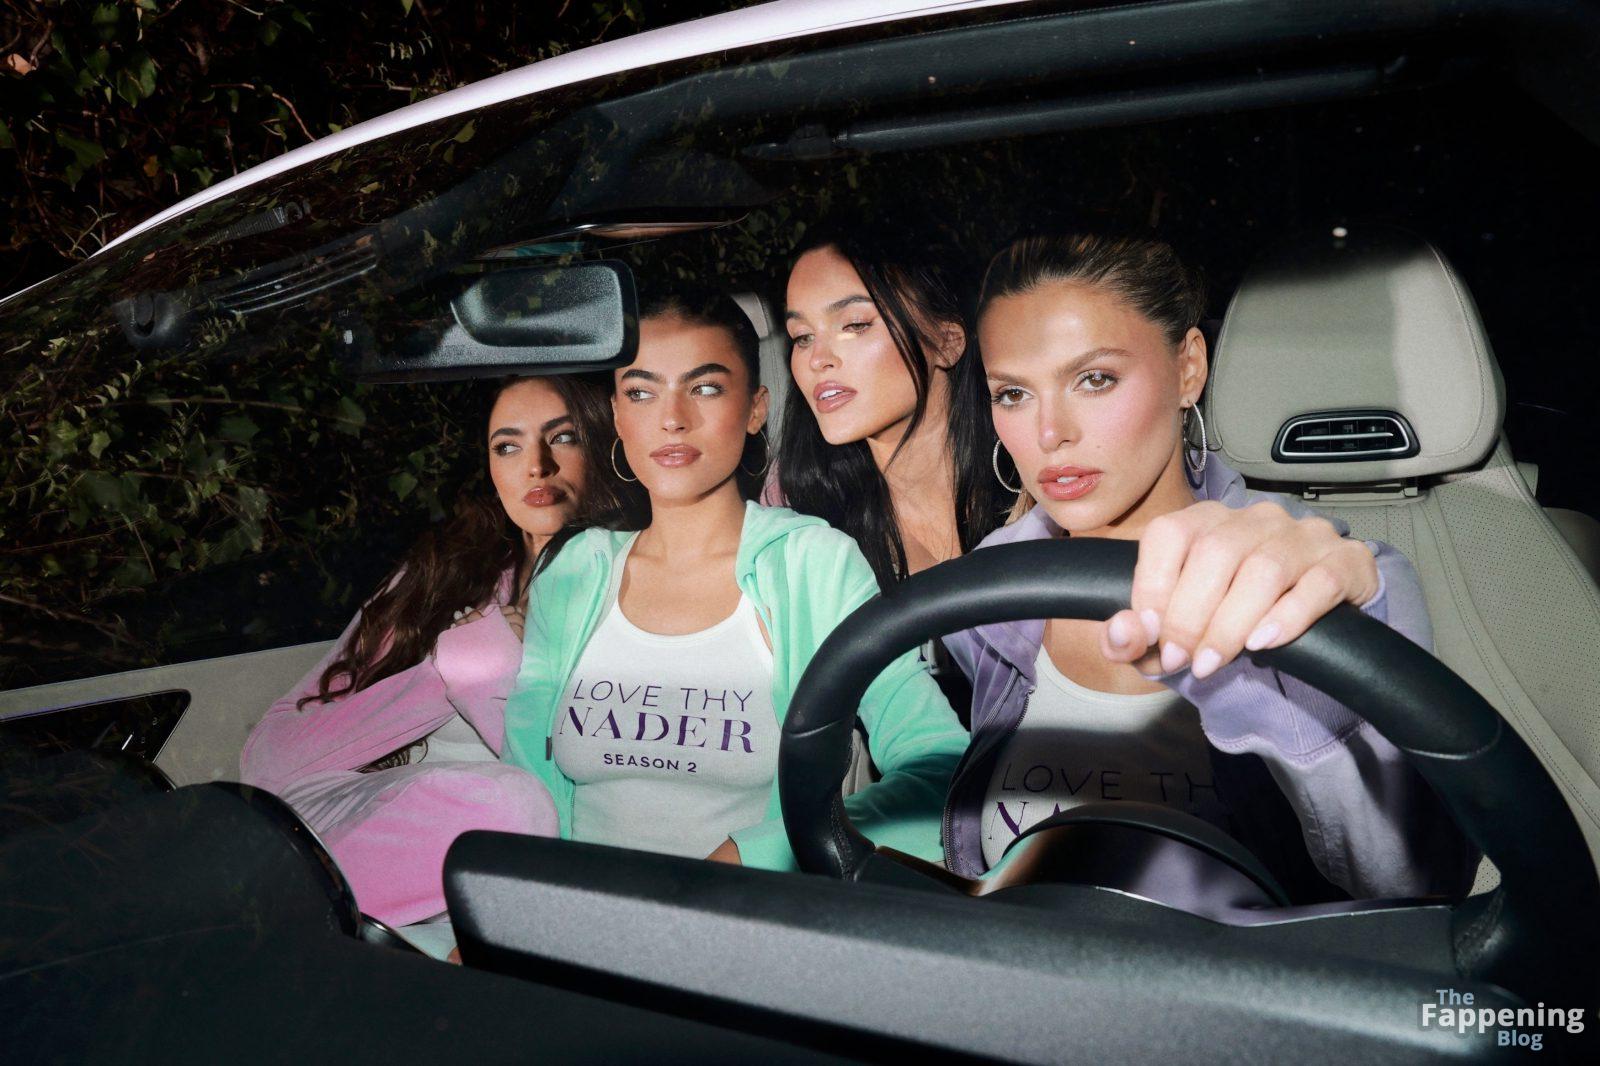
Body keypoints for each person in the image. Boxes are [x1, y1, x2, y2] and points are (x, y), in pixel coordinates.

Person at [942, 232, 1478, 901]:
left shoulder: (1331, 582)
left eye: (1095, 379)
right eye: (1013, 394)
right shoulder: (989, 597)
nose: (1050, 433)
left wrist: (1303, 667)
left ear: (1188, 368)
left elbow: (1415, 888)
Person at [501, 289, 969, 869]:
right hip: (568, 910)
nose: (672, 419)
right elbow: (523, 788)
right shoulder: (574, 571)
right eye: (642, 392)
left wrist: (761, 855)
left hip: (747, 917)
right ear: (617, 415)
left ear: (755, 409)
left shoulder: (810, 566)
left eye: (704, 388)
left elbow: (940, 764)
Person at [240, 374, 622, 929]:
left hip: (506, 866)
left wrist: (488, 680)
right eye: (507, 446)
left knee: (510, 806)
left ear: (604, 444)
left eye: (563, 438)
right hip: (351, 834)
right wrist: (437, 674)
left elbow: (587, 807)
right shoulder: (444, 574)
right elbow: (270, 758)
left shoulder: (631, 586)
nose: (536, 467)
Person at [775, 219, 1012, 588]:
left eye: (854, 324)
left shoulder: (1036, 492)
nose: (816, 359)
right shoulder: (803, 531)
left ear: (947, 341)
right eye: (802, 336)